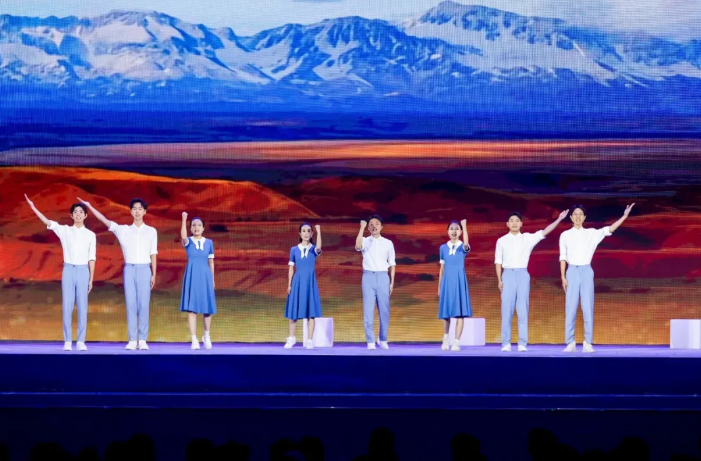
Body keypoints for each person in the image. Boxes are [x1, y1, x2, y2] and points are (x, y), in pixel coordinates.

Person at [78, 197, 157, 350]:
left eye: (140, 209)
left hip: (145, 269)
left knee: (144, 305)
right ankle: (132, 340)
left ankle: (142, 340)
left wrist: (154, 273)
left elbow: (153, 253)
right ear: (131, 211)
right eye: (134, 209)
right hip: (129, 269)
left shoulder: (151, 231)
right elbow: (105, 220)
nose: (137, 212)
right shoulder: (123, 230)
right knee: (131, 304)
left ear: (145, 211)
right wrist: (89, 206)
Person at [25, 194, 96, 351]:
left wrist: (91, 278)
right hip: (68, 269)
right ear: (71, 215)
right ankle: (67, 341)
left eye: (81, 212)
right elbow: (47, 222)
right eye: (75, 212)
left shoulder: (91, 235)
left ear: (85, 215)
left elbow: (92, 258)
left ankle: (81, 341)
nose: (78, 214)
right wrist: (33, 207)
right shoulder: (64, 230)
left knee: (83, 307)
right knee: (67, 306)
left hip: (83, 271)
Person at [560, 203, 635, 353]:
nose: (578, 217)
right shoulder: (565, 235)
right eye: (575, 214)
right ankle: (570, 342)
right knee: (570, 308)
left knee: (588, 307)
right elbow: (563, 257)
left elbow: (610, 229)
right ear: (571, 217)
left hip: (586, 271)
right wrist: (563, 277)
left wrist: (625, 216)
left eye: (580, 214)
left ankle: (588, 342)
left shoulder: (592, 233)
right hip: (571, 271)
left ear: (584, 217)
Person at [495, 210, 569, 352]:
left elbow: (545, 231)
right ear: (507, 224)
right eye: (512, 221)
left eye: (517, 221)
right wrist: (499, 279)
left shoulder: (528, 238)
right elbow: (498, 261)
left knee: (523, 309)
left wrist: (559, 219)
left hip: (523, 274)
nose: (514, 223)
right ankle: (506, 343)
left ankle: (522, 343)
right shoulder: (501, 241)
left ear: (521, 223)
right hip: (507, 275)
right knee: (506, 310)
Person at [355, 215, 396, 350]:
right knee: (368, 310)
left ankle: (383, 339)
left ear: (381, 227)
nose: (374, 226)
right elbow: (358, 246)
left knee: (384, 311)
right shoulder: (365, 241)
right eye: (371, 224)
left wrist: (392, 283)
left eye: (377, 223)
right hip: (368, 277)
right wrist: (361, 227)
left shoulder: (388, 243)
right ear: (368, 227)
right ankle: (370, 341)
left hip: (383, 277)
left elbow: (392, 264)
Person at [180, 213, 216, 350]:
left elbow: (211, 262)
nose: (196, 227)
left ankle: (206, 336)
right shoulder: (188, 242)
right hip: (192, 276)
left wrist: (212, 279)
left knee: (207, 309)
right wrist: (184, 219)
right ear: (190, 228)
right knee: (192, 309)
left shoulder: (209, 243)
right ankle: (194, 339)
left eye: (199, 225)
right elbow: (183, 236)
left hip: (205, 277)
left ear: (203, 228)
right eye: (194, 225)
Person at [284, 223, 322, 349]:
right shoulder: (294, 250)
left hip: (310, 283)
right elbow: (291, 268)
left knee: (311, 313)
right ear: (300, 234)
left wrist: (319, 231)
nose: (306, 233)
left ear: (311, 234)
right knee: (293, 311)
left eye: (309, 231)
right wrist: (289, 284)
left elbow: (319, 247)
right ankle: (291, 338)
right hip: (297, 282)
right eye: (304, 231)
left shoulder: (314, 249)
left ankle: (310, 340)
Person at [438, 219, 472, 351]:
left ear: (461, 232)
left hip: (459, 280)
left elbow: (466, 244)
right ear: (447, 231)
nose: (454, 231)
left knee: (460, 313)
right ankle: (446, 338)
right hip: (447, 281)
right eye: (451, 229)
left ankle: (457, 342)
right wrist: (439, 286)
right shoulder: (443, 248)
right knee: (446, 313)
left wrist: (464, 226)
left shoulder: (462, 246)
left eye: (457, 229)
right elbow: (442, 268)